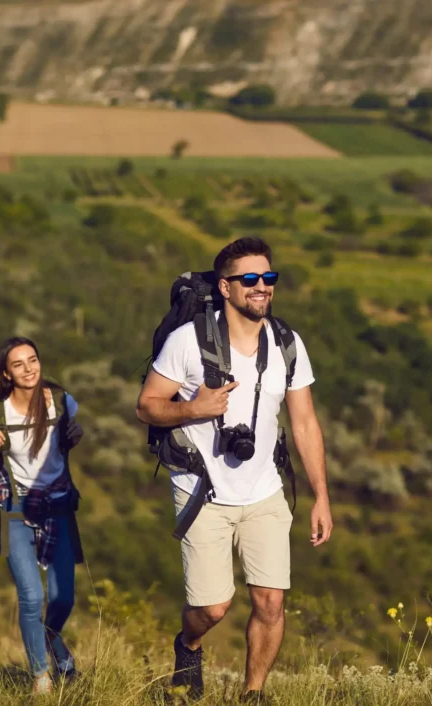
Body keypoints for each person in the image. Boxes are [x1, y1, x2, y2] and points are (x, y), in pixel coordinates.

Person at [136, 237, 334, 702]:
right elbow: (146, 406)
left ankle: (253, 693)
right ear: (225, 287)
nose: (262, 286)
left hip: (264, 490)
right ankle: (189, 646)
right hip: (202, 490)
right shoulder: (188, 342)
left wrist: (321, 496)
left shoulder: (286, 343)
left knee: (271, 602)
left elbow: (305, 423)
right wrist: (194, 409)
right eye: (250, 279)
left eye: (269, 277)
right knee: (212, 608)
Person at [0, 337, 84, 695]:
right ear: (6, 374)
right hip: (15, 509)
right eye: (18, 364)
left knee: (63, 598)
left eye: (33, 360)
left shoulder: (63, 401)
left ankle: (50, 638)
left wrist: (75, 435)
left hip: (58, 507)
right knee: (31, 597)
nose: (28, 369)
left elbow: (70, 437)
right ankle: (41, 677)